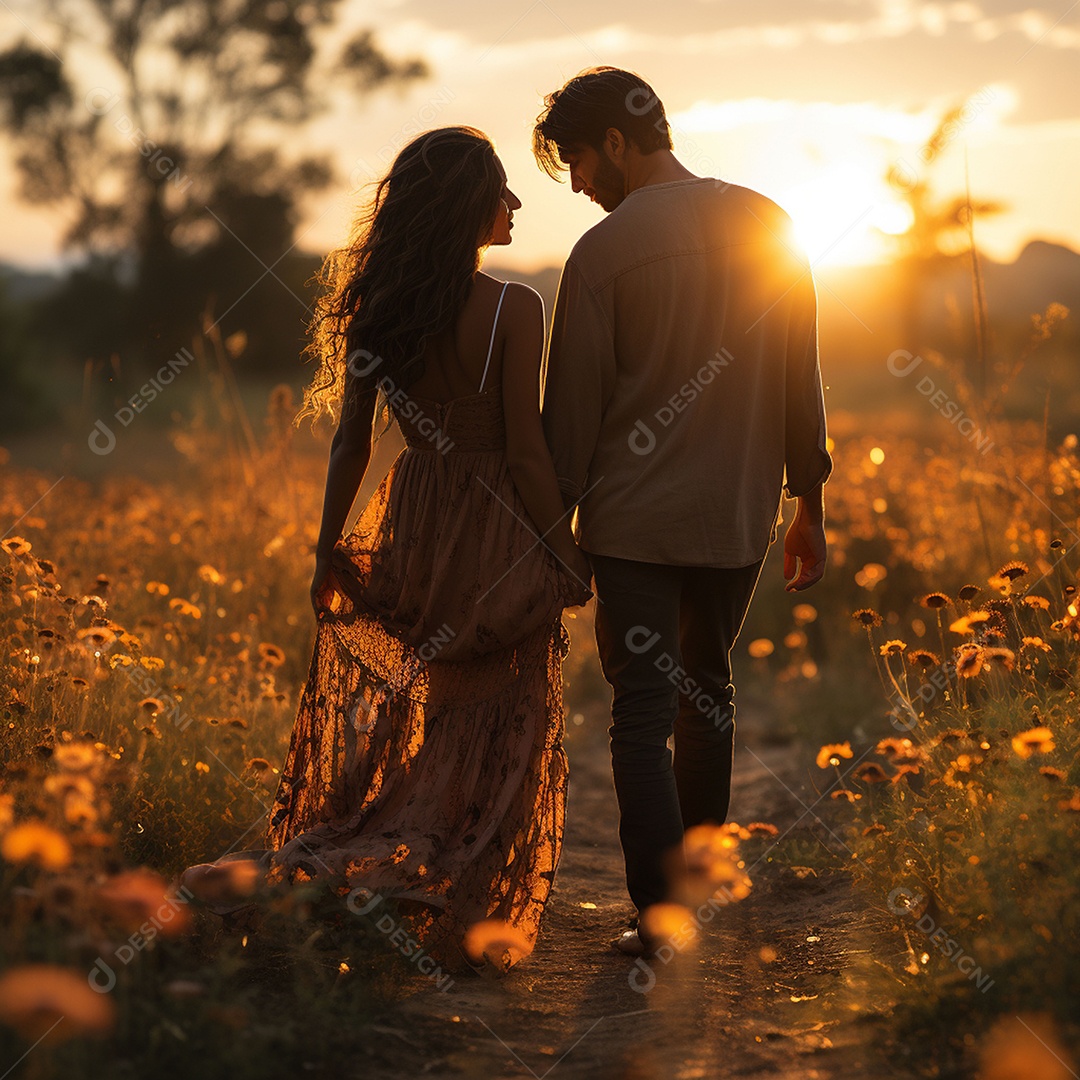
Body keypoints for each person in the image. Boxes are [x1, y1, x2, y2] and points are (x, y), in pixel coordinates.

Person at [180, 126, 591, 974]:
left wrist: (326, 548)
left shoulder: (380, 312)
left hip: (416, 520)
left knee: (438, 704)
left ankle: (390, 869)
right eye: (503, 192)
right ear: (467, 208)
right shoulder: (517, 309)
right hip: (496, 523)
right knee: (503, 716)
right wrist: (564, 550)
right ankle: (449, 886)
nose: (515, 205)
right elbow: (523, 453)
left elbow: (350, 445)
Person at [533, 68, 833, 956]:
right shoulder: (771, 224)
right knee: (708, 699)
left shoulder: (603, 254)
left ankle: (659, 919)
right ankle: (693, 901)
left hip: (632, 529)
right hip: (738, 517)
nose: (580, 184)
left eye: (580, 161)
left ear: (620, 143)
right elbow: (799, 378)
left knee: (641, 716)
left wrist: (553, 532)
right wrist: (807, 503)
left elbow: (572, 418)